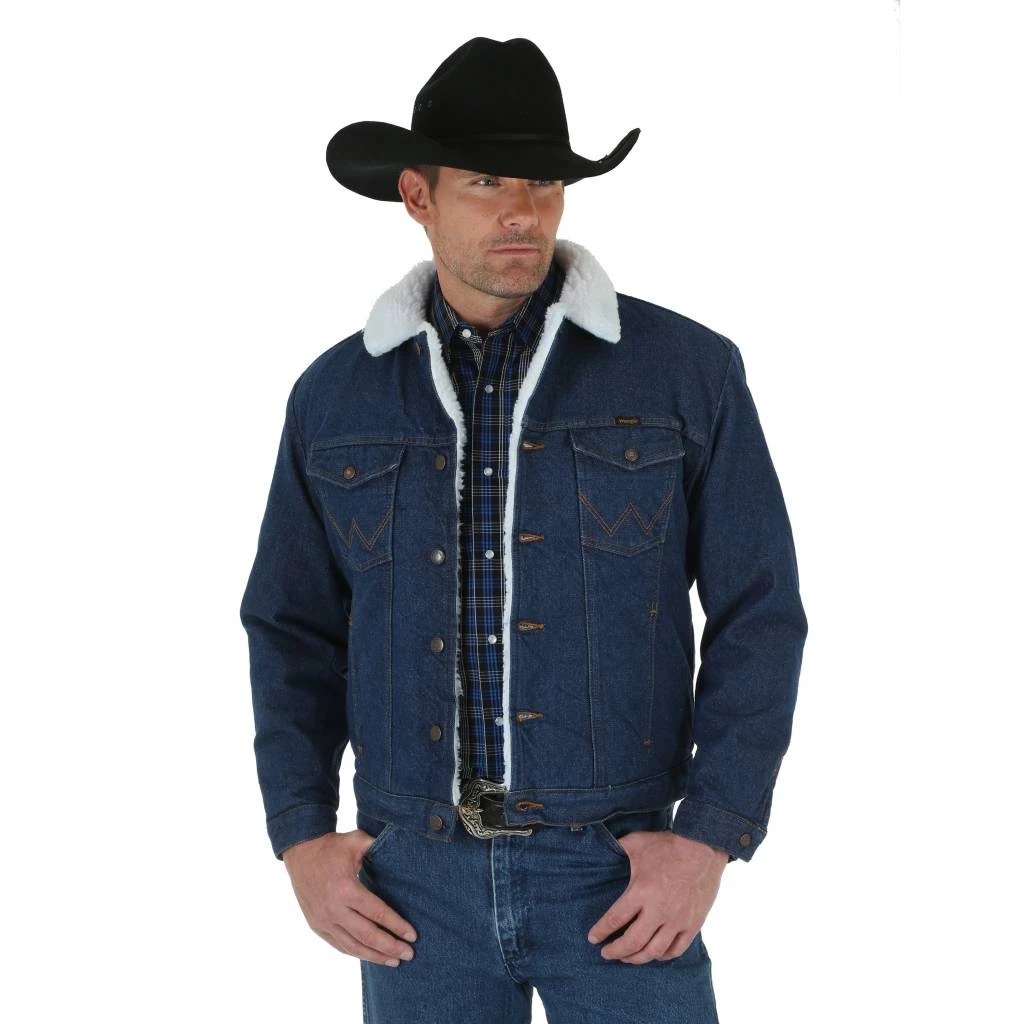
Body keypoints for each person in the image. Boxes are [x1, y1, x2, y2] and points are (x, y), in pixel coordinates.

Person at [239, 36, 808, 1024]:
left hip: (617, 872)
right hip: (411, 882)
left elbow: (760, 611)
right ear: (416, 196)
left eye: (544, 183)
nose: (522, 212)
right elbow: (291, 626)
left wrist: (710, 835)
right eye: (485, 181)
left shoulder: (686, 372)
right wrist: (300, 834)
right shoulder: (334, 396)